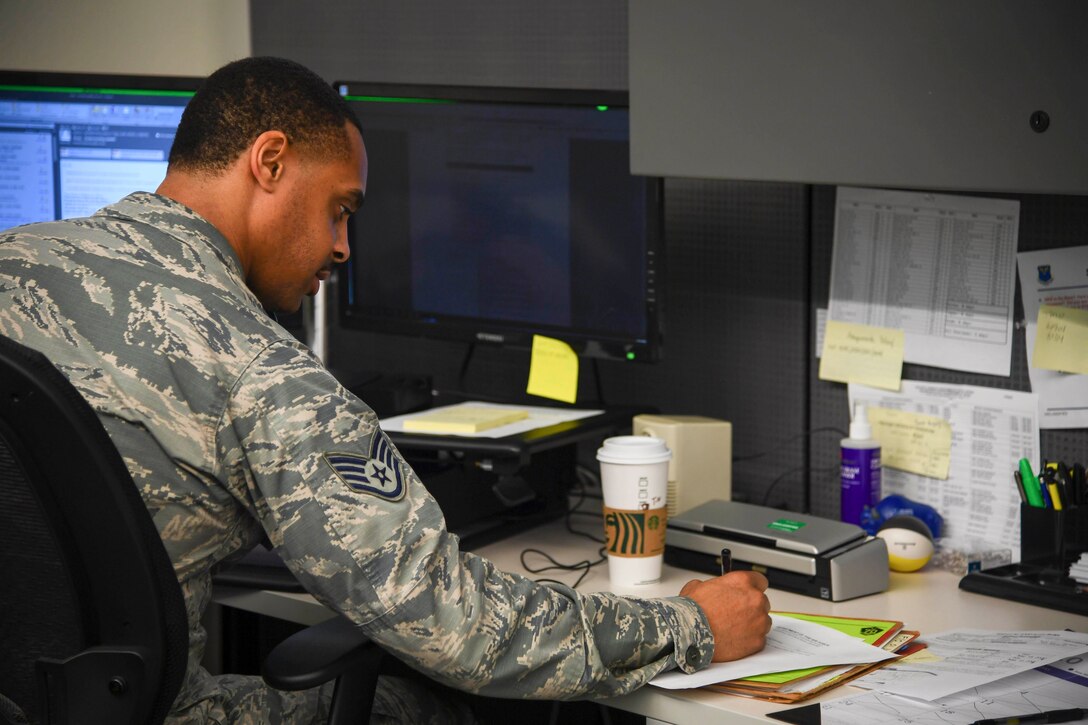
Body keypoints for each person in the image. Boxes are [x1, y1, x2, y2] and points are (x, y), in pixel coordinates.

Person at [0, 57, 771, 723]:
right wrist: (688, 625)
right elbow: (458, 624)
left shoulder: (15, 258)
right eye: (341, 208)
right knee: (443, 704)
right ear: (269, 161)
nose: (341, 246)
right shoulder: (266, 375)